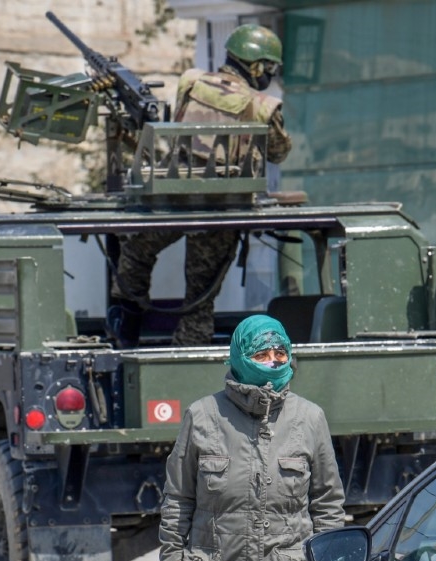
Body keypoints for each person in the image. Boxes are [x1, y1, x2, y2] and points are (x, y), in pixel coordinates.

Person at [109, 24, 292, 347]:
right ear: (256, 66)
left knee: (135, 257)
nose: (270, 74)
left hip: (172, 199)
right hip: (223, 208)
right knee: (200, 294)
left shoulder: (191, 81)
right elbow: (279, 151)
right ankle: (187, 358)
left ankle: (124, 336)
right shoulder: (263, 105)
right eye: (269, 68)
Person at [159, 314, 345, 561]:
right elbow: (178, 500)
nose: (272, 363)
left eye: (280, 354)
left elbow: (328, 504)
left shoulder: (310, 417)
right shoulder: (202, 415)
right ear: (240, 358)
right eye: (261, 356)